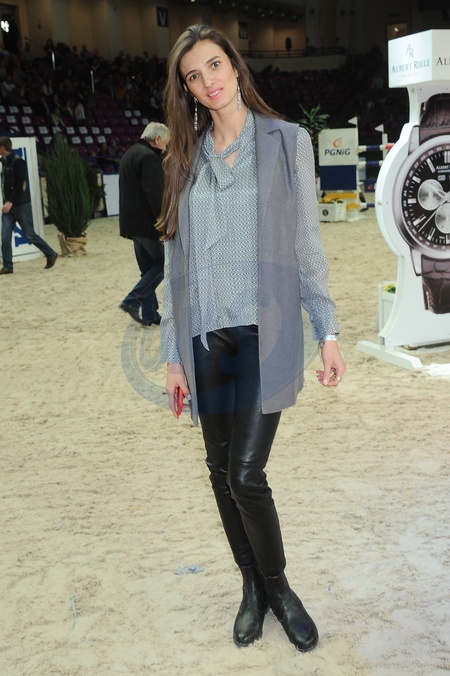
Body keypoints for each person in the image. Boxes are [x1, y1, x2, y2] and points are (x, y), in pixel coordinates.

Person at [156, 25, 346, 653]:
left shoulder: (287, 142)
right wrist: (173, 356)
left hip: (266, 332)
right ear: (186, 90)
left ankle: (280, 589)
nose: (207, 80)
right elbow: (174, 266)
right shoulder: (182, 159)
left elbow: (307, 243)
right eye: (193, 75)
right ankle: (252, 588)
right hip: (204, 335)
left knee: (244, 471)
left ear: (235, 68)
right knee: (218, 469)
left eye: (214, 65)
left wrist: (327, 329)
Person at [119, 122, 169, 326]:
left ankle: (150, 314)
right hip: (148, 224)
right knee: (162, 265)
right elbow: (154, 194)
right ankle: (132, 300)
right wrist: (164, 220)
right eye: (165, 143)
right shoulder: (149, 157)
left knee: (148, 268)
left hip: (132, 224)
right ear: (157, 139)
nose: (165, 148)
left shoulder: (130, 153)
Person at [0, 137, 57, 274]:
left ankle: (50, 253)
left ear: (2, 147)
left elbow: (21, 184)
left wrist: (10, 202)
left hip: (20, 205)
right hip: (8, 205)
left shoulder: (18, 162)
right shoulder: (4, 161)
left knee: (29, 234)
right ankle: (7, 266)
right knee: (5, 237)